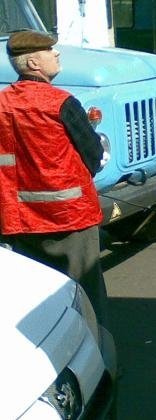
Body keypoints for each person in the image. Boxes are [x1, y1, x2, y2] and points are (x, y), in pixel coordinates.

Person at [0, 30, 110, 325]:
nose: (57, 53)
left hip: (19, 222)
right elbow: (94, 155)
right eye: (50, 50)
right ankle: (96, 349)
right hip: (70, 219)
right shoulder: (61, 102)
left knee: (36, 299)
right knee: (86, 296)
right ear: (33, 63)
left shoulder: (1, 103)